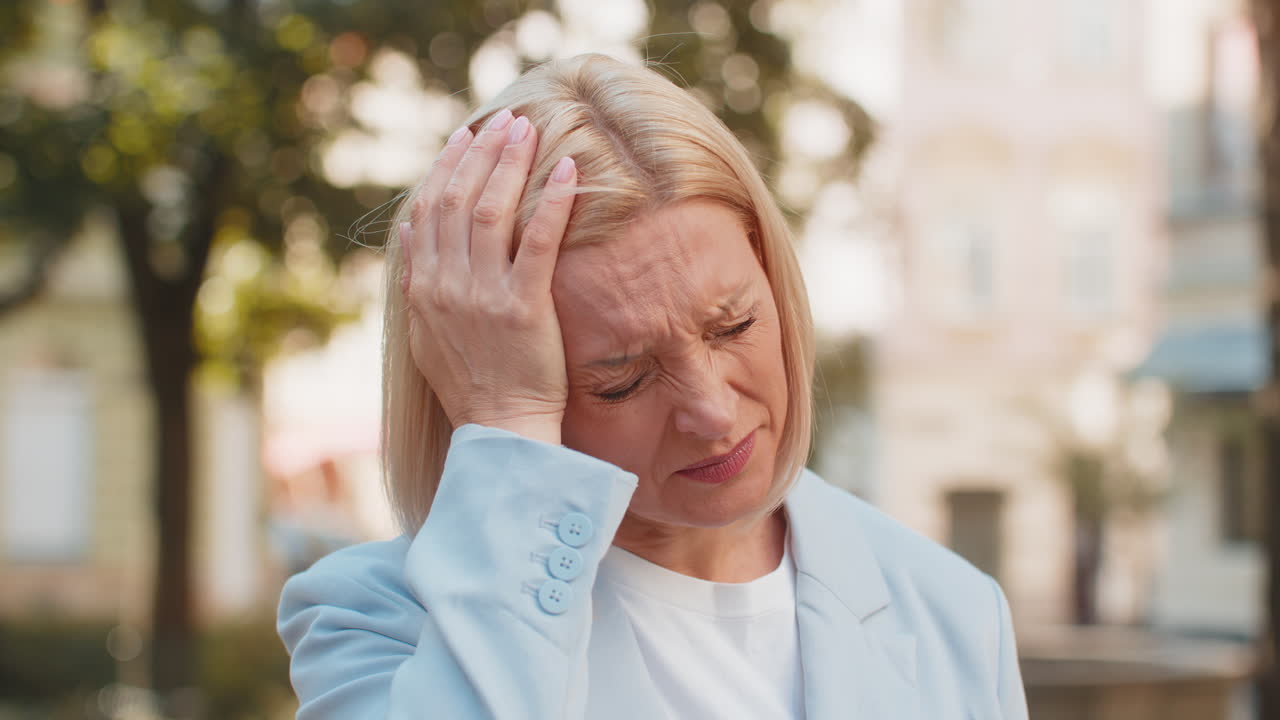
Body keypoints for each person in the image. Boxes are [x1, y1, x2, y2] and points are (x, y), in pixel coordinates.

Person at [277, 53, 1029, 720]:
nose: (712, 412)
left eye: (733, 326)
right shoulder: (372, 623)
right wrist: (504, 418)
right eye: (623, 381)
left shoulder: (954, 613)